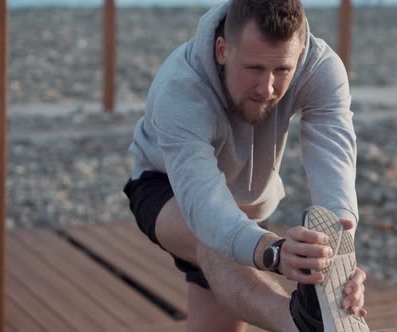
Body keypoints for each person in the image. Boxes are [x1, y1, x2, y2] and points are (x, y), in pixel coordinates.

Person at [123, 0, 368, 331]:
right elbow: (204, 205)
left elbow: (333, 159)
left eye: (282, 70)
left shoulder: (320, 67)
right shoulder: (180, 87)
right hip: (165, 185)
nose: (267, 88)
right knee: (210, 241)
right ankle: (301, 325)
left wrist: (339, 256)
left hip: (246, 199)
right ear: (222, 50)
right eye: (254, 69)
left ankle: (314, 317)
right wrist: (275, 253)